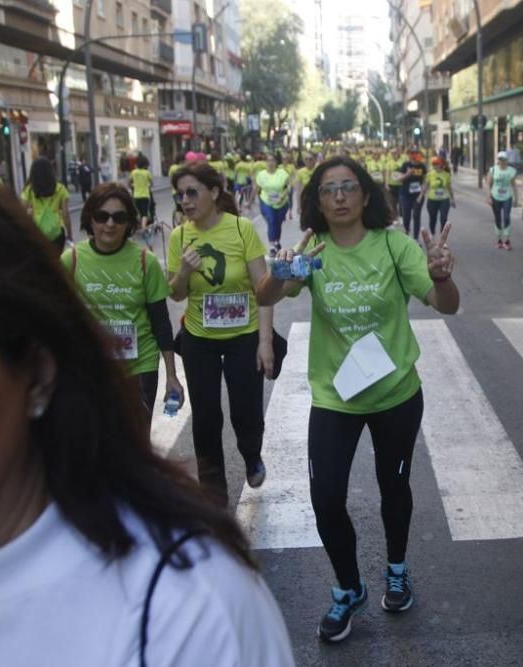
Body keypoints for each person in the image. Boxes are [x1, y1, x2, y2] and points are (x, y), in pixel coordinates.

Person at [0, 162, 294, 666]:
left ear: (35, 371)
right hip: (192, 342)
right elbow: (178, 293)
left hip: (215, 347)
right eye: (100, 217)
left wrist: (247, 333)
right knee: (204, 429)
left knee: (239, 420)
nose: (108, 225)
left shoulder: (190, 610)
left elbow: (166, 311)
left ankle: (251, 452)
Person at [255, 156, 459, 643]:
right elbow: (266, 296)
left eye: (349, 187)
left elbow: (447, 304)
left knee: (394, 489)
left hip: (395, 395)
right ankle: (349, 588)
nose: (340, 196)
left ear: (366, 195)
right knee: (325, 498)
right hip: (335, 397)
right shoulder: (316, 250)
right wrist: (282, 271)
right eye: (329, 189)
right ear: (317, 201)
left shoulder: (393, 245)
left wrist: (442, 274)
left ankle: (397, 571)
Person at [168, 162, 273, 505]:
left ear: (214, 193)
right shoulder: (179, 236)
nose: (185, 200)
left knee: (246, 410)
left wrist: (265, 342)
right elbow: (177, 294)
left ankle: (251, 454)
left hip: (244, 336)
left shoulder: (242, 230)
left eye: (192, 192)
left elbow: (264, 290)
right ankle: (213, 489)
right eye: (180, 194)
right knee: (206, 415)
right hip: (199, 338)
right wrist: (183, 270)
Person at [61, 183, 183, 430]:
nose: (110, 224)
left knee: (135, 443)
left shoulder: (144, 261)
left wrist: (171, 375)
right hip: (91, 368)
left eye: (119, 217)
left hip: (140, 367)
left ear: (129, 223)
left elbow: (160, 321)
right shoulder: (71, 261)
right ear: (90, 219)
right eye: (102, 216)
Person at [21, 156, 72, 254]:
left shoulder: (29, 190)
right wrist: (69, 234)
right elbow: (66, 214)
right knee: (56, 263)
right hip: (57, 232)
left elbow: (21, 213)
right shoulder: (61, 188)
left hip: (36, 233)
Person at [255, 153, 289, 256]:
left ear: (276, 162)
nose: (270, 163)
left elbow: (287, 188)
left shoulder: (282, 173)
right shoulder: (261, 175)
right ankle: (272, 245)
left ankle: (277, 242)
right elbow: (258, 189)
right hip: (266, 201)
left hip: (281, 202)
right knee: (271, 220)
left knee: (278, 223)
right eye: (268, 160)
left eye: (272, 160)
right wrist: (257, 202)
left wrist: (281, 197)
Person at [487, 151, 518, 250]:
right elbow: (488, 184)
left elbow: (514, 185)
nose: (501, 161)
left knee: (506, 217)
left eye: (503, 159)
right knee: (497, 218)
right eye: (500, 159)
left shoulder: (511, 171)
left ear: (507, 160)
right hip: (495, 196)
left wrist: (516, 198)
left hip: (507, 196)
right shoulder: (493, 170)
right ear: (498, 160)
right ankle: (499, 240)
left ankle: (507, 240)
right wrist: (488, 196)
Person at [395, 150, 427, 241]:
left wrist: (422, 192)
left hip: (417, 195)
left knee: (417, 216)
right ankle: (406, 237)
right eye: (415, 155)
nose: (417, 157)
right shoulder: (405, 165)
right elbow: (399, 179)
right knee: (406, 216)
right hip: (405, 195)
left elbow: (425, 181)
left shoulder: (422, 166)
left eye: (418, 155)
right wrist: (408, 174)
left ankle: (416, 238)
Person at [420, 157, 454, 236]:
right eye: (433, 164)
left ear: (441, 164)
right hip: (432, 200)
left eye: (436, 164)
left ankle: (443, 237)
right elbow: (426, 186)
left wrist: (452, 199)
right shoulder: (430, 174)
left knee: (443, 218)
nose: (435, 166)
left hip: (444, 199)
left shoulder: (446, 175)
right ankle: (432, 233)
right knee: (432, 218)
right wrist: (421, 195)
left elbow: (449, 187)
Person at [128, 154, 154, 229]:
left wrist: (134, 186)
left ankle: (138, 226)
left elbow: (129, 183)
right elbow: (151, 183)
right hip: (145, 195)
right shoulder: (147, 173)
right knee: (144, 213)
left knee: (138, 212)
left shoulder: (133, 172)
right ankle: (143, 227)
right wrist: (147, 186)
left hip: (136, 196)